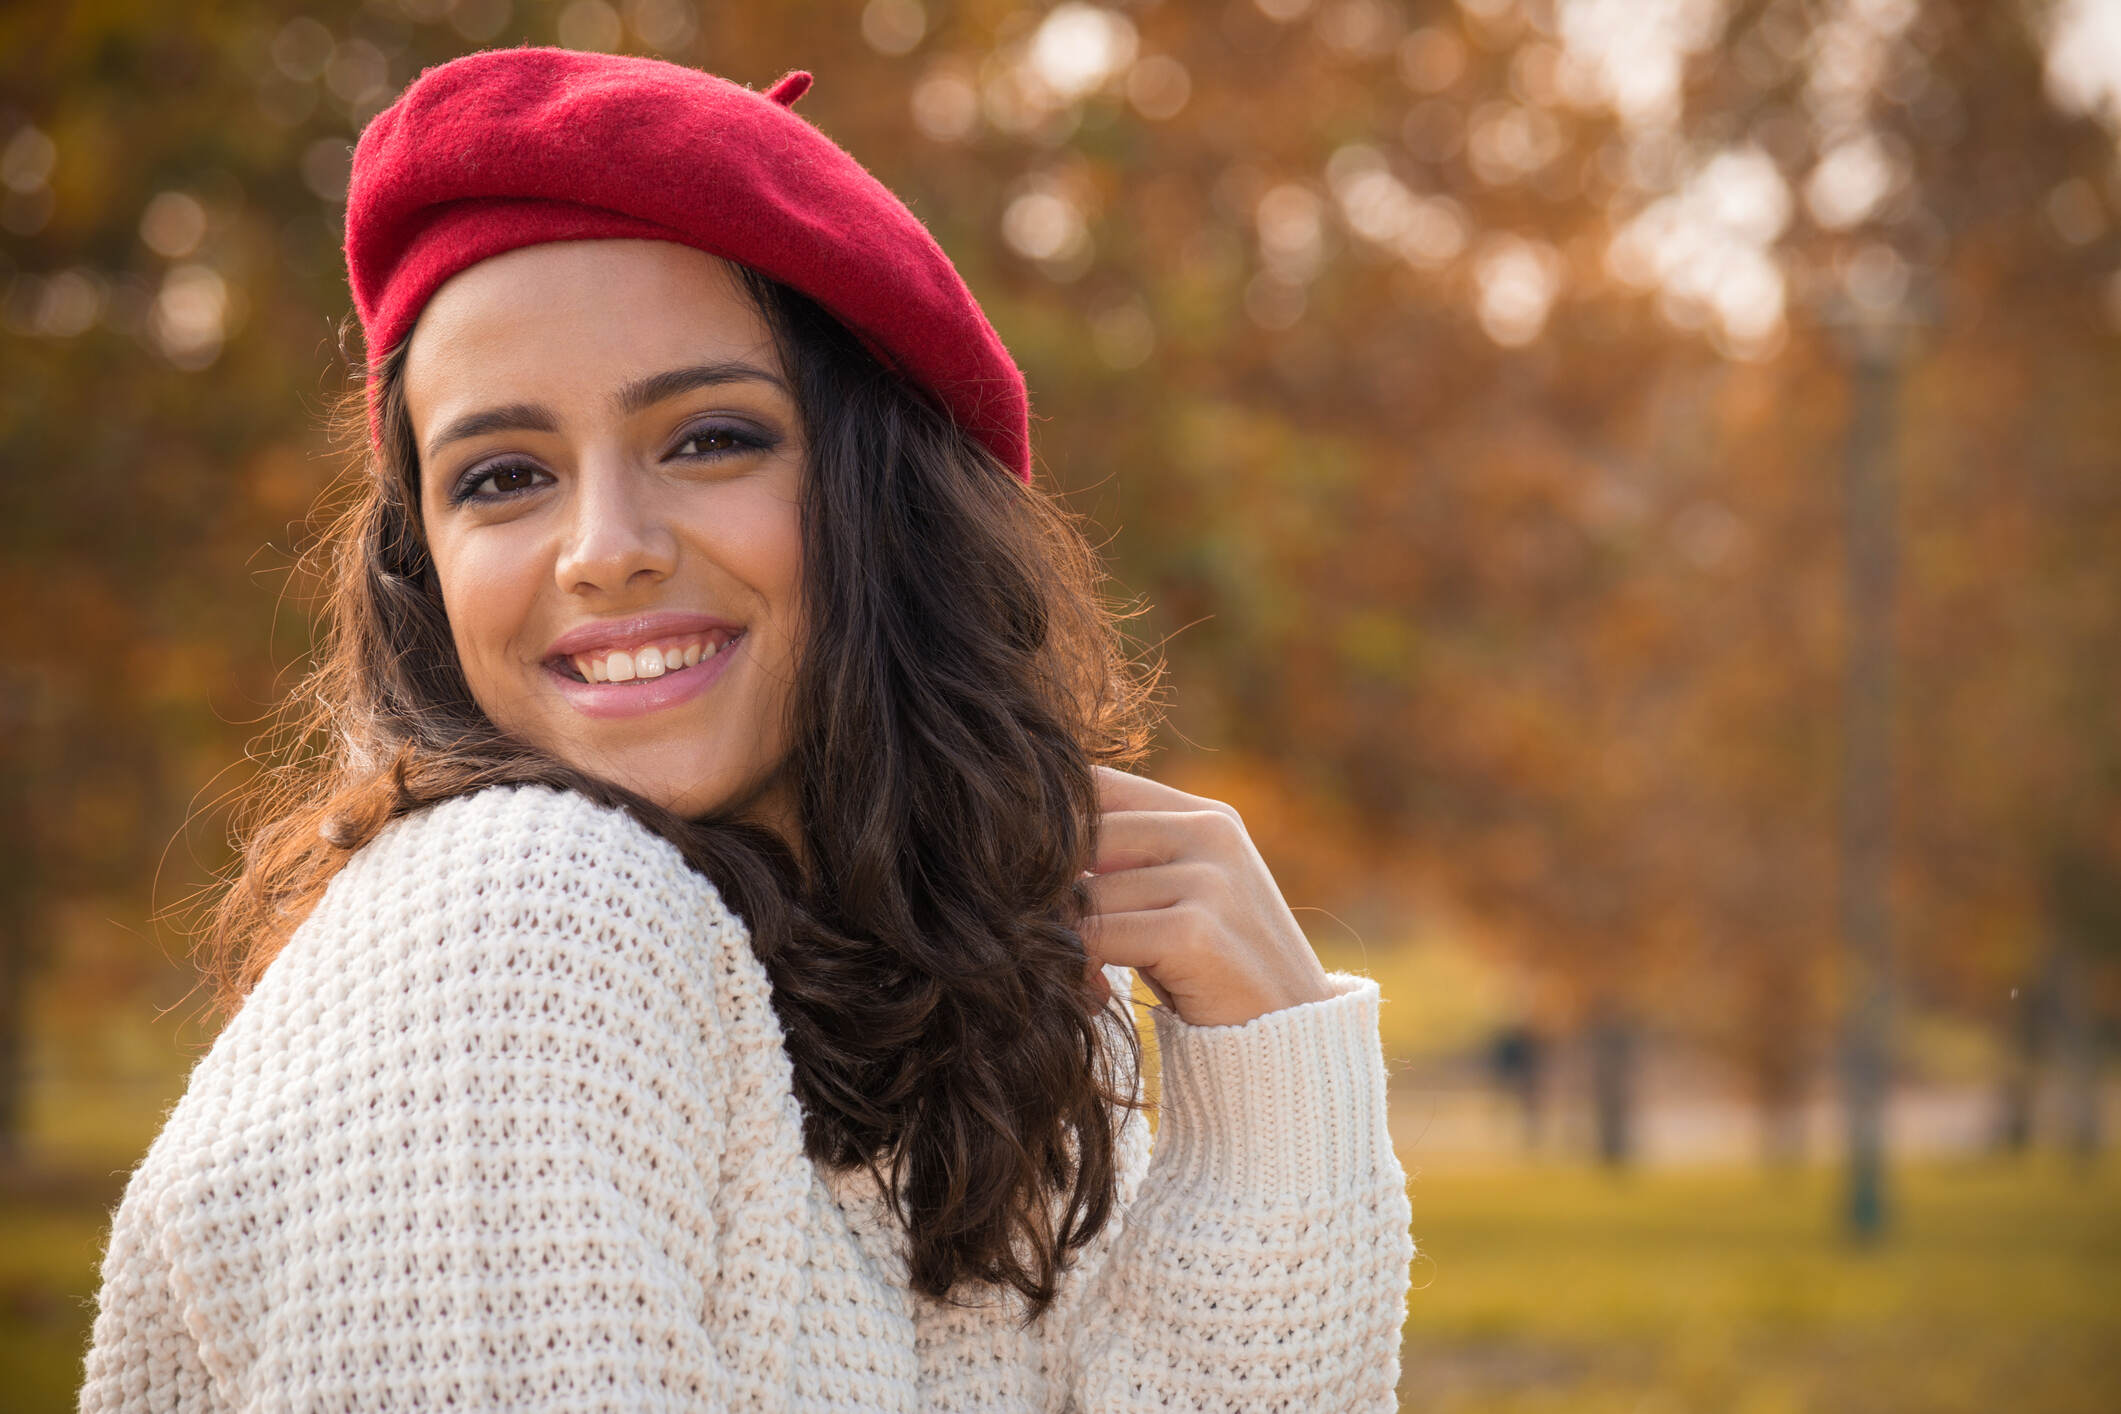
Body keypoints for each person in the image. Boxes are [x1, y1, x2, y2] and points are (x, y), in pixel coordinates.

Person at [77, 47, 1415, 1412]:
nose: (604, 550)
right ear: (424, 560)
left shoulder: (972, 1025)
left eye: (708, 438)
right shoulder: (519, 921)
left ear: (884, 497)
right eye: (504, 476)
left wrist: (1272, 1090)